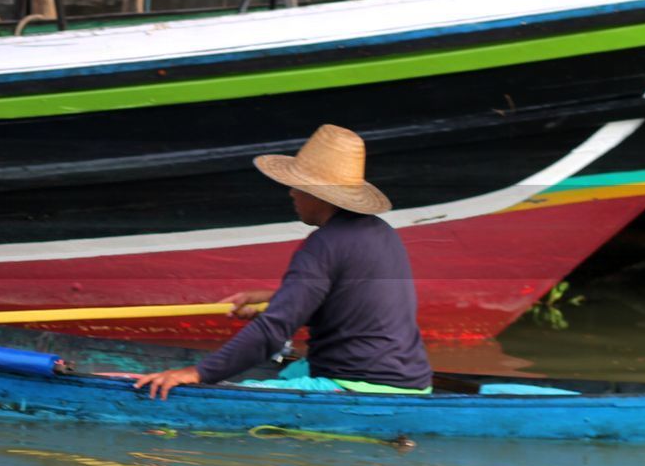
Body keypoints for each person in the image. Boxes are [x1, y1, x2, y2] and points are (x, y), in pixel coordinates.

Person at [134, 124, 432, 398]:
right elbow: (344, 299)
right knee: (290, 371)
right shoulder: (382, 232)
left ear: (321, 195)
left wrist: (196, 373)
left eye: (298, 186)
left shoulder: (321, 245)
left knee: (237, 389)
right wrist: (275, 299)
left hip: (354, 385)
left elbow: (271, 333)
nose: (291, 193)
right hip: (414, 383)